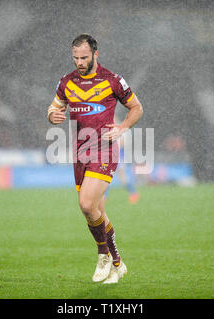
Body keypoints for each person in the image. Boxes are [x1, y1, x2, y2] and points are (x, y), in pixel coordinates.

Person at [47, 34, 143, 284]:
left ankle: (103, 256)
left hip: (104, 149)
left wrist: (122, 128)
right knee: (97, 211)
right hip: (79, 154)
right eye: (75, 58)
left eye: (84, 57)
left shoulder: (112, 80)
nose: (79, 62)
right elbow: (54, 107)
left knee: (87, 204)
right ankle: (118, 264)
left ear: (95, 55)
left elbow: (137, 108)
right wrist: (52, 116)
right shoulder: (66, 82)